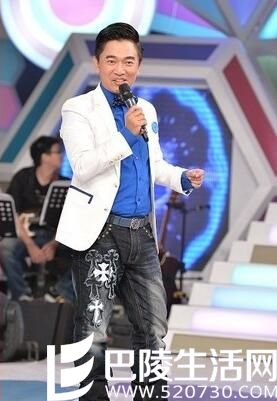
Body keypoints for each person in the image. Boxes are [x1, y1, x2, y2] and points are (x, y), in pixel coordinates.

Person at [55, 22, 204, 401]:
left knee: (154, 328)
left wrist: (181, 177)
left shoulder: (145, 109)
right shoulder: (78, 109)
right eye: (111, 61)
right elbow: (83, 166)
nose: (120, 69)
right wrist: (125, 134)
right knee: (93, 329)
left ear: (138, 64)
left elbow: (154, 164)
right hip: (100, 234)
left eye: (128, 61)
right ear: (97, 63)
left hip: (141, 234)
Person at [0, 136, 72, 301]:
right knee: (5, 248)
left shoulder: (65, 183)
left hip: (55, 236)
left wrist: (54, 244)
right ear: (44, 156)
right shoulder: (23, 178)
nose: (61, 156)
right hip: (27, 235)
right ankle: (22, 294)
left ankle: (59, 292)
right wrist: (30, 245)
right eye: (57, 152)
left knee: (88, 250)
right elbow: (14, 214)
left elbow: (70, 220)